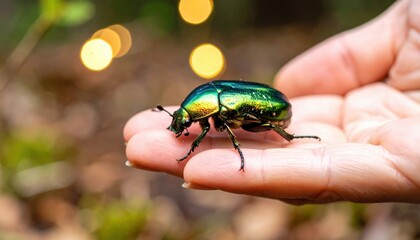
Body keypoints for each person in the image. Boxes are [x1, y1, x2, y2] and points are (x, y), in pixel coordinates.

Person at [124, 0, 420, 204]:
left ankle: (288, 137)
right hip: (269, 101)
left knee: (260, 124)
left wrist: (204, 146)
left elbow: (208, 130)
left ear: (200, 107)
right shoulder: (208, 101)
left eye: (185, 118)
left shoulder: (215, 112)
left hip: (276, 109)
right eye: (185, 119)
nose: (185, 123)